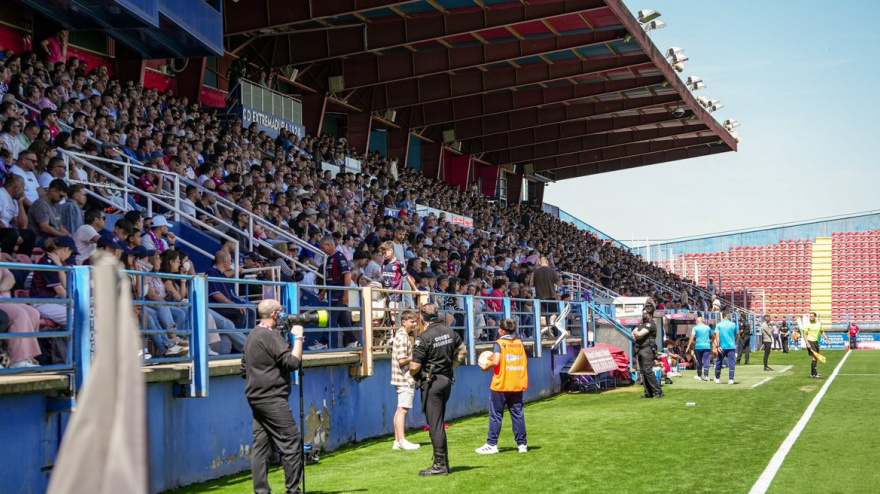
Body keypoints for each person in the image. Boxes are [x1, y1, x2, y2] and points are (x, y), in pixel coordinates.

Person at [240, 298, 304, 494]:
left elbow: (244, 369)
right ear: (275, 314)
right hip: (273, 399)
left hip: (256, 398)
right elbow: (292, 363)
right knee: (291, 442)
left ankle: (261, 491)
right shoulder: (270, 336)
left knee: (260, 446)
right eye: (281, 311)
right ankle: (293, 490)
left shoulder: (252, 336)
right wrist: (299, 338)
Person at [409, 303, 466, 476]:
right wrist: (452, 366)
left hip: (431, 382)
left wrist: (412, 374)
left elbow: (414, 365)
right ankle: (443, 463)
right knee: (438, 421)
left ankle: (440, 465)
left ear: (422, 317)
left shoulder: (423, 337)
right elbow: (463, 351)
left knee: (435, 425)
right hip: (446, 379)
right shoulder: (450, 332)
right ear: (437, 315)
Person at [475, 318, 529, 455]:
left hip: (501, 384)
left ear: (502, 330)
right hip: (516, 383)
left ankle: (492, 444)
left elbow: (496, 361)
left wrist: (485, 367)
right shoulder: (519, 343)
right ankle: (522, 444)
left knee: (496, 415)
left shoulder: (500, 343)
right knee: (518, 415)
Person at [390, 309, 421, 451]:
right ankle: (401, 441)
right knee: (403, 410)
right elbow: (402, 360)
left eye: (415, 321)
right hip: (404, 378)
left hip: (400, 377)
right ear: (404, 321)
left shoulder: (401, 335)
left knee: (399, 409)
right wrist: (415, 355)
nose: (414, 324)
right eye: (412, 321)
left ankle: (397, 441)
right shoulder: (402, 337)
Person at [631, 304, 663, 398]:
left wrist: (637, 334)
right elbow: (633, 333)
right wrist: (636, 334)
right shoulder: (641, 324)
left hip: (647, 349)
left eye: (645, 313)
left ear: (650, 314)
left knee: (648, 371)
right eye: (643, 312)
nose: (643, 314)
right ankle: (648, 393)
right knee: (642, 371)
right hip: (640, 349)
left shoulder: (651, 324)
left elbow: (639, 334)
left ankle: (658, 391)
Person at [685, 316, 713, 381]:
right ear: (702, 321)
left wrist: (688, 345)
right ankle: (706, 376)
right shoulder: (707, 327)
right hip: (706, 346)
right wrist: (712, 341)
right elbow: (713, 334)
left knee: (699, 360)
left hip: (698, 346)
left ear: (697, 321)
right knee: (706, 360)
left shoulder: (695, 328)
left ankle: (699, 375)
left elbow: (692, 336)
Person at [714, 310, 738, 385]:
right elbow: (738, 334)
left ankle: (717, 378)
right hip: (731, 346)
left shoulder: (719, 325)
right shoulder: (733, 324)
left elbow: (717, 335)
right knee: (731, 362)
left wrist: (718, 345)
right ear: (727, 315)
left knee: (719, 361)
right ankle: (731, 379)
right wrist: (735, 341)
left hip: (722, 346)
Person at [802, 312, 826, 379]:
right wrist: (807, 343)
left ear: (815, 316)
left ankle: (813, 374)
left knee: (816, 357)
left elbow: (822, 331)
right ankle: (815, 374)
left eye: (812, 316)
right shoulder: (807, 324)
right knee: (814, 357)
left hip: (815, 342)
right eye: (810, 316)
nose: (811, 317)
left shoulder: (818, 324)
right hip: (810, 341)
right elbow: (804, 334)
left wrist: (826, 338)